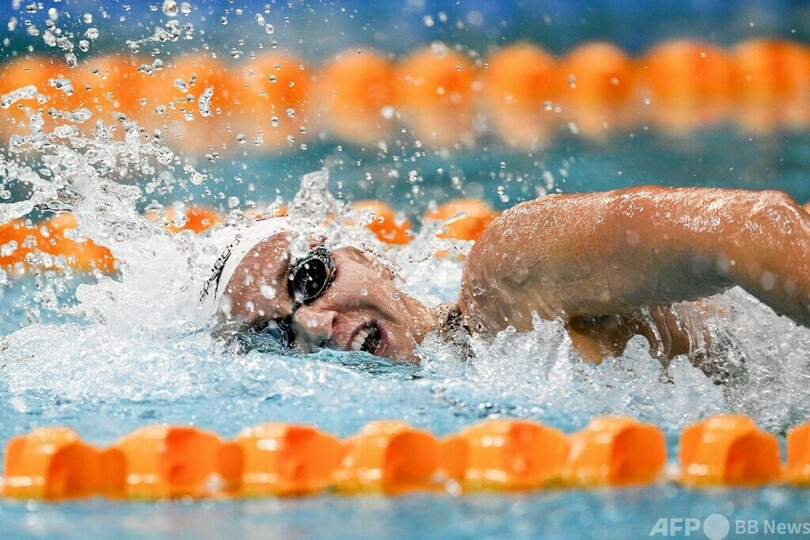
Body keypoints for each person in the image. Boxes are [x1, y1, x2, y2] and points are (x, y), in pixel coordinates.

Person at [201, 185, 810, 379]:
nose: (312, 324)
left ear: (367, 257)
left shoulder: (508, 274)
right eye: (277, 334)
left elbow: (751, 226)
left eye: (307, 279)